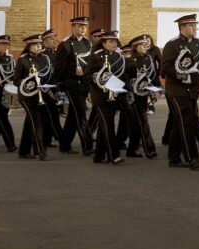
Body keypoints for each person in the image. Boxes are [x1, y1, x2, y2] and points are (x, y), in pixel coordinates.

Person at [160, 15, 199, 170]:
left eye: (195, 25)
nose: (195, 28)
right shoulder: (172, 45)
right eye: (191, 25)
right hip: (177, 90)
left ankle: (174, 158)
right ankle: (192, 158)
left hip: (192, 90)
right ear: (182, 27)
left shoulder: (197, 44)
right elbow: (164, 69)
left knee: (178, 123)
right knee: (186, 122)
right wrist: (181, 74)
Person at [53, 16, 94, 156]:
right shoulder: (65, 44)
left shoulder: (88, 43)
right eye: (80, 26)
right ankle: (87, 146)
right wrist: (58, 86)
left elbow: (90, 63)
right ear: (73, 27)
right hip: (71, 84)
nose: (83, 29)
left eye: (85, 26)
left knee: (73, 115)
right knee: (81, 114)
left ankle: (64, 144)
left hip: (84, 84)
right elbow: (59, 67)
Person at [86, 29, 127, 165]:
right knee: (108, 125)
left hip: (115, 95)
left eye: (115, 41)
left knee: (105, 125)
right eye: (111, 41)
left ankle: (98, 156)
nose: (114, 44)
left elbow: (123, 75)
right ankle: (113, 155)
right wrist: (97, 77)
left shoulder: (119, 57)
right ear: (103, 43)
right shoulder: (95, 56)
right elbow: (88, 75)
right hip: (101, 96)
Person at [15, 34, 52, 160]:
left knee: (30, 122)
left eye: (39, 44)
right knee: (36, 121)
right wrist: (28, 81)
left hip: (41, 94)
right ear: (29, 46)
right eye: (35, 45)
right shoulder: (23, 59)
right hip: (27, 96)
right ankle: (40, 151)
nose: (38, 46)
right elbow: (16, 80)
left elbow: (48, 75)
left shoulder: (45, 58)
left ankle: (23, 151)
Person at [124, 35, 158, 159]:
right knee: (143, 122)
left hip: (144, 93)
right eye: (143, 45)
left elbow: (153, 75)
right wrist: (129, 90)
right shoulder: (129, 60)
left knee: (136, 124)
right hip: (133, 95)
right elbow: (125, 77)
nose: (146, 47)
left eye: (146, 44)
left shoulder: (148, 58)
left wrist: (157, 87)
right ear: (136, 46)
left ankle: (131, 150)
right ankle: (150, 150)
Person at [38, 29, 63, 150]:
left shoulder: (58, 54)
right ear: (44, 42)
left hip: (55, 87)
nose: (55, 41)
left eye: (55, 38)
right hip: (44, 89)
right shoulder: (41, 55)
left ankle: (46, 140)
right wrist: (47, 90)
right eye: (51, 39)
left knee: (51, 115)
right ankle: (61, 139)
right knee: (49, 115)